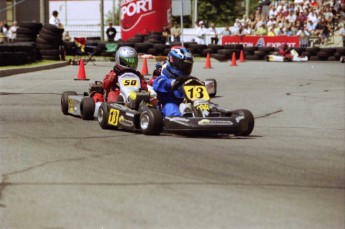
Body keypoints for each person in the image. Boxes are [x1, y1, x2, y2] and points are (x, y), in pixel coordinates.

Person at [153, 46, 194, 117]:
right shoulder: (162, 79)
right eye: (183, 65)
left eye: (187, 66)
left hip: (186, 106)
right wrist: (173, 82)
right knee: (171, 107)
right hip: (165, 108)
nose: (185, 68)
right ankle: (180, 120)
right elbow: (159, 84)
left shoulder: (187, 80)